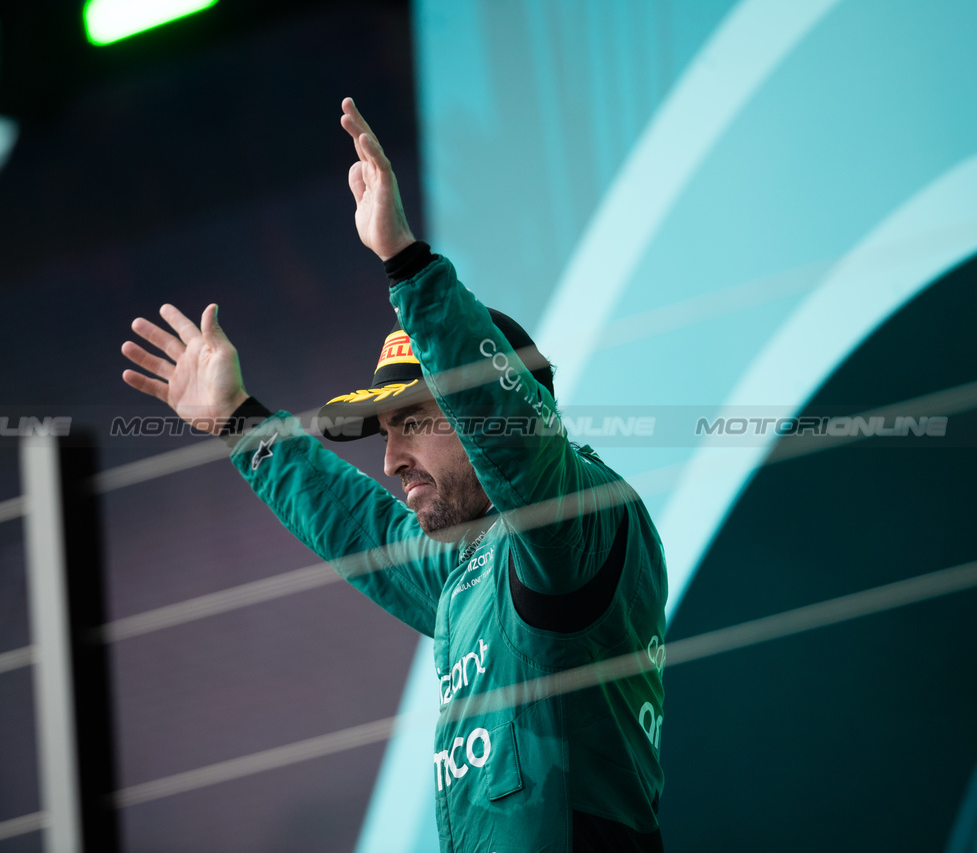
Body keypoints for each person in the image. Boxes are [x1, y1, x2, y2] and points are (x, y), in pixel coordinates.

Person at [120, 97, 668, 853]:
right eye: (385, 431)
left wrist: (407, 262)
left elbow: (510, 437)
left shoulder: (577, 521)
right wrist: (240, 424)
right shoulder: (470, 572)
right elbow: (364, 526)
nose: (389, 457)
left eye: (412, 420)